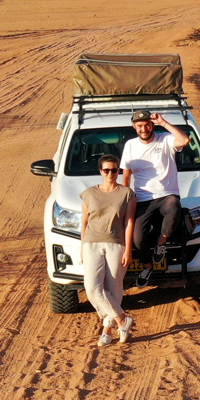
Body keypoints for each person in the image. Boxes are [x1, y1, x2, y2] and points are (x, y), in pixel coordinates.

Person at [78, 153, 137, 345]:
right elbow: (84, 221)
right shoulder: (89, 193)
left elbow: (129, 222)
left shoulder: (127, 193)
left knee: (114, 288)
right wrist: (82, 246)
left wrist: (128, 249)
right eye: (106, 170)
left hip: (116, 243)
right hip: (92, 243)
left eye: (114, 170)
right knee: (92, 287)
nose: (110, 173)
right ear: (100, 171)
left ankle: (107, 331)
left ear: (118, 171)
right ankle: (122, 319)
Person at [120, 109, 190, 265]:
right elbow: (126, 175)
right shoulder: (130, 145)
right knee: (137, 237)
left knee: (174, 205)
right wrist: (124, 199)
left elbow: (185, 141)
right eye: (139, 126)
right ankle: (147, 266)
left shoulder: (165, 140)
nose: (143, 129)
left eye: (147, 125)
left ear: (152, 125)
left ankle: (161, 242)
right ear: (134, 127)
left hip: (167, 194)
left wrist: (163, 123)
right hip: (143, 198)